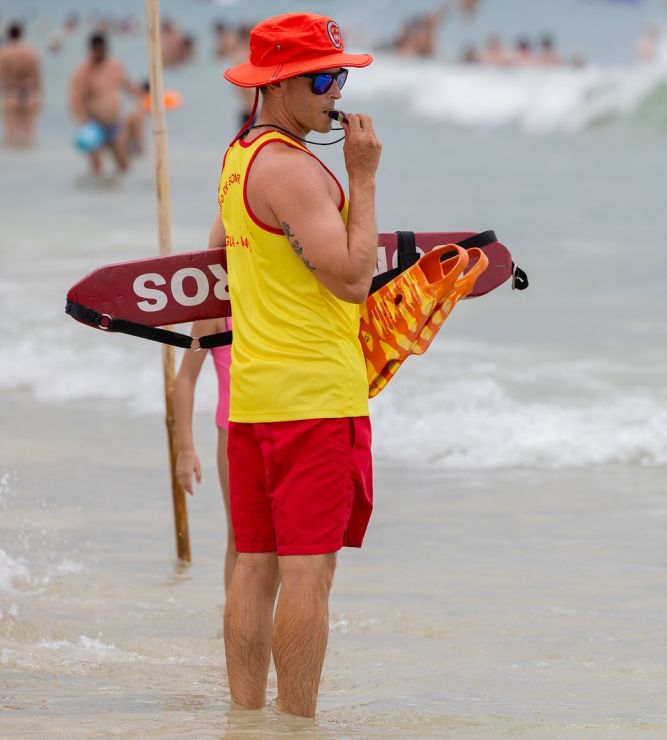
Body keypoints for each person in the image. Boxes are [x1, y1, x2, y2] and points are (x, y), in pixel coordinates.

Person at [216, 12, 379, 718]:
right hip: (313, 399)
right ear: (276, 85)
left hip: (256, 397)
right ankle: (297, 726)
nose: (336, 92)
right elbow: (351, 278)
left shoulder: (240, 157)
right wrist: (362, 179)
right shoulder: (292, 169)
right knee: (309, 571)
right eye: (320, 79)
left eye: (339, 77)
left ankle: (247, 719)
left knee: (255, 568)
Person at [173, 317, 236, 593]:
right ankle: (235, 617)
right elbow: (185, 378)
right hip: (233, 436)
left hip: (288, 429)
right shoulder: (215, 314)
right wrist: (186, 449)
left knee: (287, 543)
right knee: (241, 540)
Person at [69, 32, 140, 177]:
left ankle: (124, 191)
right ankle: (97, 190)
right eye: (97, 51)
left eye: (102, 50)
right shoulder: (83, 72)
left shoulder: (115, 66)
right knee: (97, 168)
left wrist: (144, 99)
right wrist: (83, 122)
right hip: (94, 124)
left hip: (114, 122)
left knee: (124, 166)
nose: (100, 54)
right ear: (91, 50)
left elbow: (129, 87)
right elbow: (76, 100)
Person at [0, 22, 42, 148]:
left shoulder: (4, 52)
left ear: (9, 35)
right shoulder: (30, 51)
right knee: (30, 134)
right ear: (21, 34)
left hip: (11, 92)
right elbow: (37, 75)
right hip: (28, 92)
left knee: (10, 135)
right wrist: (39, 93)